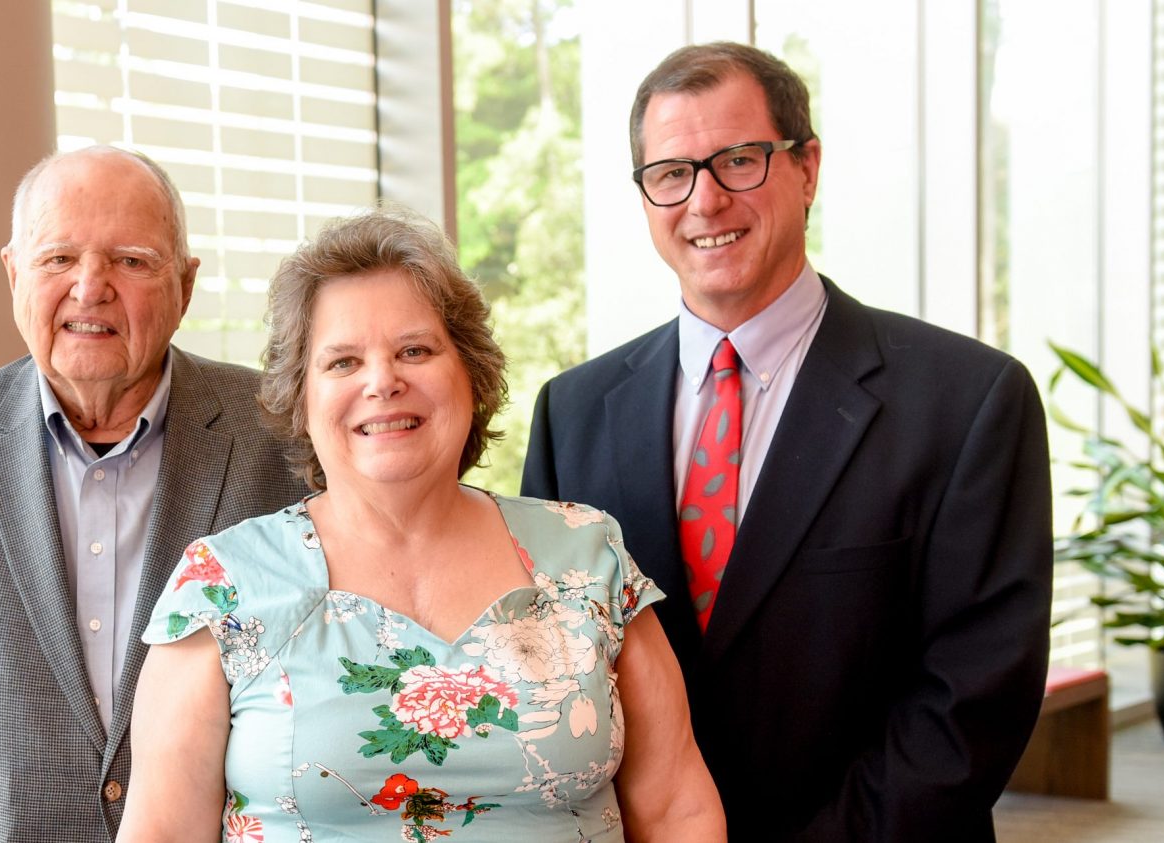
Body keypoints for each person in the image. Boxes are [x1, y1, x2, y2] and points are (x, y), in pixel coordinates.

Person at [522, 42, 1053, 841]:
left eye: (739, 160)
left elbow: (971, 699)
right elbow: (548, 671)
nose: (704, 201)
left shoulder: (969, 400)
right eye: (671, 173)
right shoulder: (574, 411)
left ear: (807, 168)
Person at [115, 208, 725, 842]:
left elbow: (679, 810)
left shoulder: (588, 556)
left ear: (471, 374)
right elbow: (161, 832)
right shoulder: (222, 587)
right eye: (343, 362)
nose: (383, 382)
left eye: (415, 350)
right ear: (301, 396)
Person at [0, 146, 303, 841]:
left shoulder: (287, 440)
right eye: (58, 258)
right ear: (15, 273)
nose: (91, 286)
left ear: (185, 285)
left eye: (131, 260)